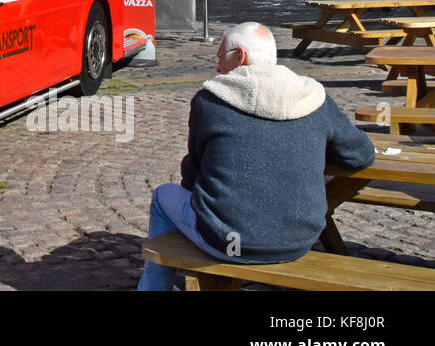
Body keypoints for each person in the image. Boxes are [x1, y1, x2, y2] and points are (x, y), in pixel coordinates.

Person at [138, 22, 375, 290]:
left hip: (225, 238)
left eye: (220, 57)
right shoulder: (314, 97)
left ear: (240, 56)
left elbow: (193, 173)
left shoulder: (209, 102)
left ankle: (154, 287)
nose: (217, 67)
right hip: (301, 237)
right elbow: (361, 155)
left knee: (162, 197)